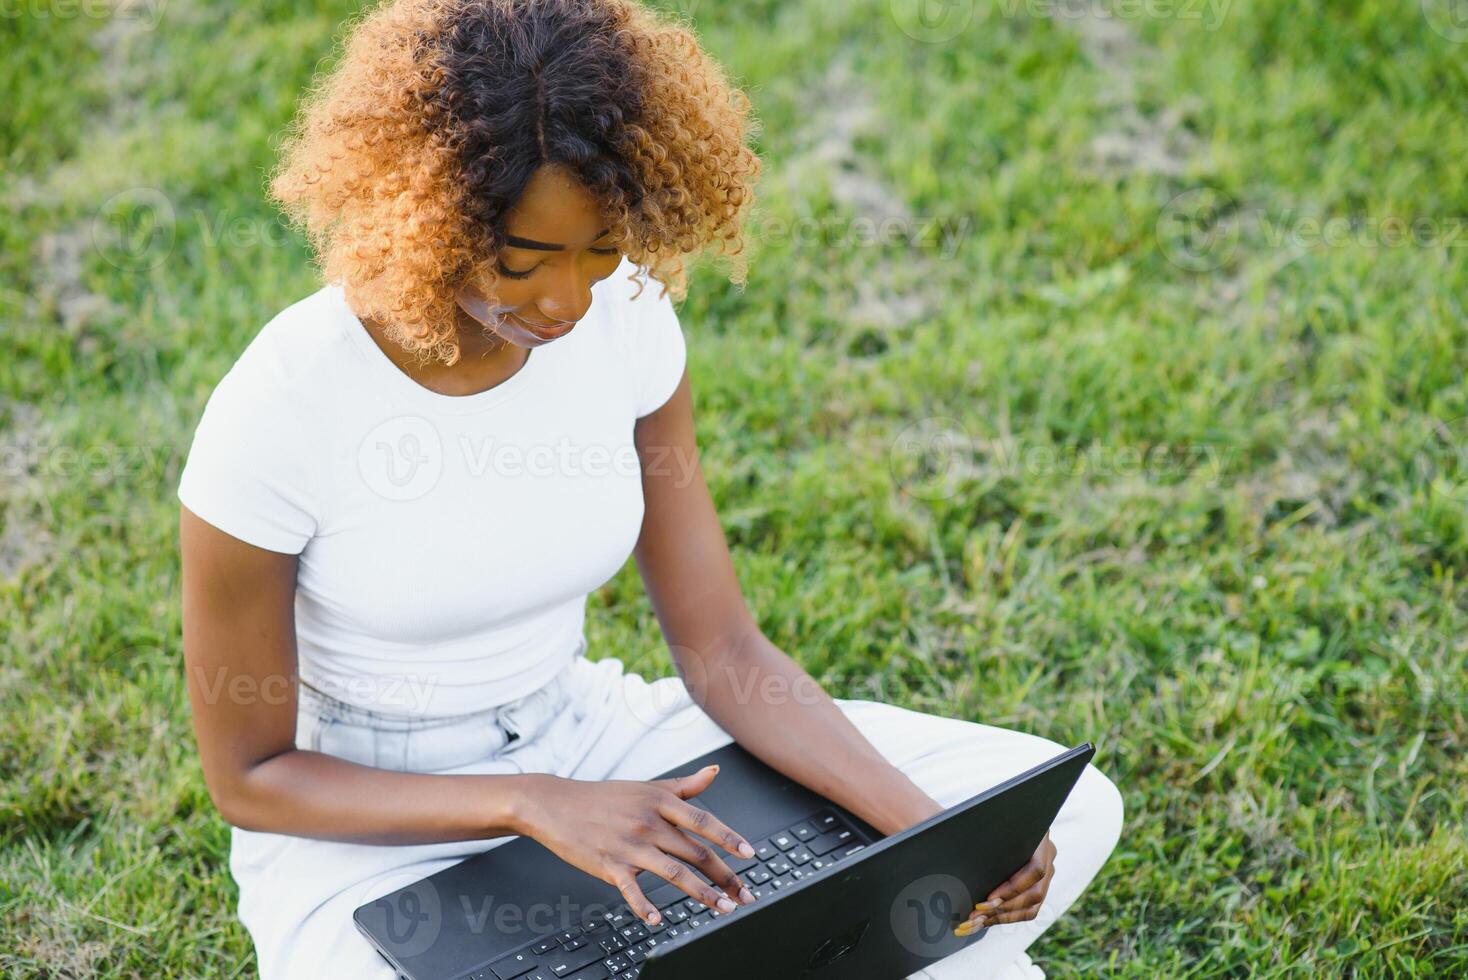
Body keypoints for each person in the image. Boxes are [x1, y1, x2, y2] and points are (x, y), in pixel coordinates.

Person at [176, 1, 1124, 977]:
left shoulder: (623, 326)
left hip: (597, 740)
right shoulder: (283, 405)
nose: (565, 303)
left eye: (601, 249)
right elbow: (253, 775)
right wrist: (528, 800)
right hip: (374, 823)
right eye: (524, 259)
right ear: (427, 214)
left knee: (1075, 807)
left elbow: (721, 646)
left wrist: (933, 834)